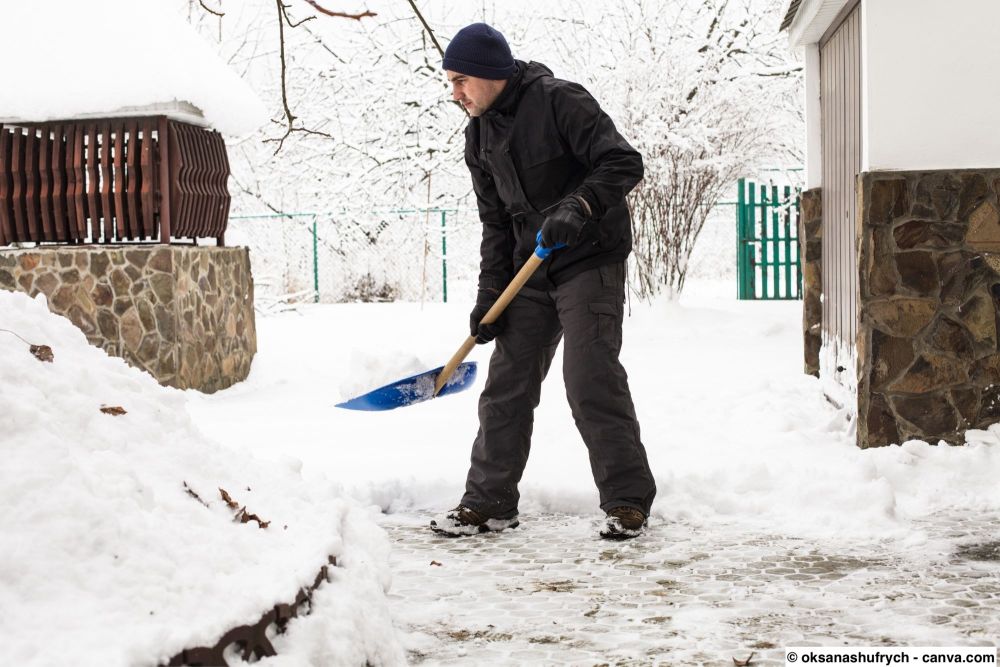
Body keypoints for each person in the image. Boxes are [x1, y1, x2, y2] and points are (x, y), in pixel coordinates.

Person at [430, 23, 655, 540]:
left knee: (589, 376)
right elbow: (495, 224)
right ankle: (488, 503)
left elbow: (623, 162)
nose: (455, 94)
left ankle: (627, 501)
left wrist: (580, 205)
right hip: (529, 269)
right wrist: (490, 296)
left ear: (489, 72)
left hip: (589, 258)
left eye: (461, 80)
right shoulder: (478, 136)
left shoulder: (559, 101)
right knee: (506, 386)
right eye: (451, 83)